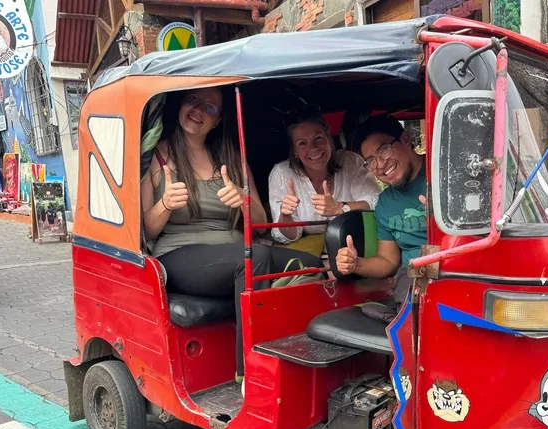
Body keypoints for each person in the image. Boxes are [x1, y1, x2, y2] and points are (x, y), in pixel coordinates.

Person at [141, 86, 321, 382]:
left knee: (311, 263)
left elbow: (261, 223)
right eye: (193, 101)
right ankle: (248, 373)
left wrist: (245, 200)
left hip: (236, 252)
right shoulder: (158, 157)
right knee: (255, 257)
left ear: (218, 119)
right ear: (182, 104)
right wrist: (165, 204)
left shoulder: (232, 159)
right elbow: (147, 229)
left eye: (209, 108)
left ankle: (293, 352)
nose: (198, 111)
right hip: (179, 254)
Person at [335, 116, 427, 314]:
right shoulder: (385, 203)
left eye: (383, 150)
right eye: (370, 160)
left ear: (405, 140)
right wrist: (356, 264)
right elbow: (388, 261)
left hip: (455, 269)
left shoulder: (446, 174)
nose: (379, 165)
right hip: (413, 278)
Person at [268, 112, 381, 257]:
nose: (313, 148)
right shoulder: (282, 173)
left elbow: (376, 202)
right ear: (295, 151)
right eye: (302, 143)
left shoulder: (350, 162)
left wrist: (340, 207)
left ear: (329, 140)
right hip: (311, 260)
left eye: (318, 138)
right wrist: (286, 216)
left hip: (357, 251)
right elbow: (287, 236)